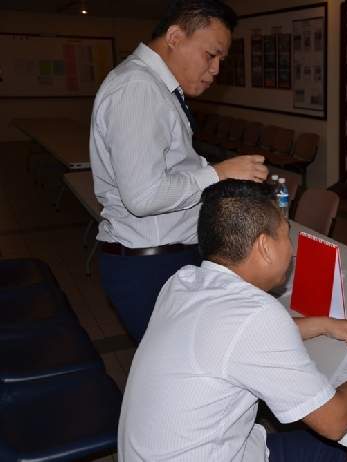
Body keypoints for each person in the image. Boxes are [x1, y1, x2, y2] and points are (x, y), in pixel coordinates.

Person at [118, 179, 347, 462]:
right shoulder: (256, 316)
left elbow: (236, 338)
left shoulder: (183, 281)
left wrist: (324, 325)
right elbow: (335, 421)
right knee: (333, 449)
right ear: (264, 246)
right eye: (286, 236)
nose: (291, 250)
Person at [90, 0, 268, 342]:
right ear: (175, 37)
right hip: (150, 266)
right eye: (210, 55)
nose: (215, 69)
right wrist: (218, 173)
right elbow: (143, 197)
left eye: (221, 60)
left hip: (162, 257)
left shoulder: (154, 87)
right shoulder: (138, 89)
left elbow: (168, 170)